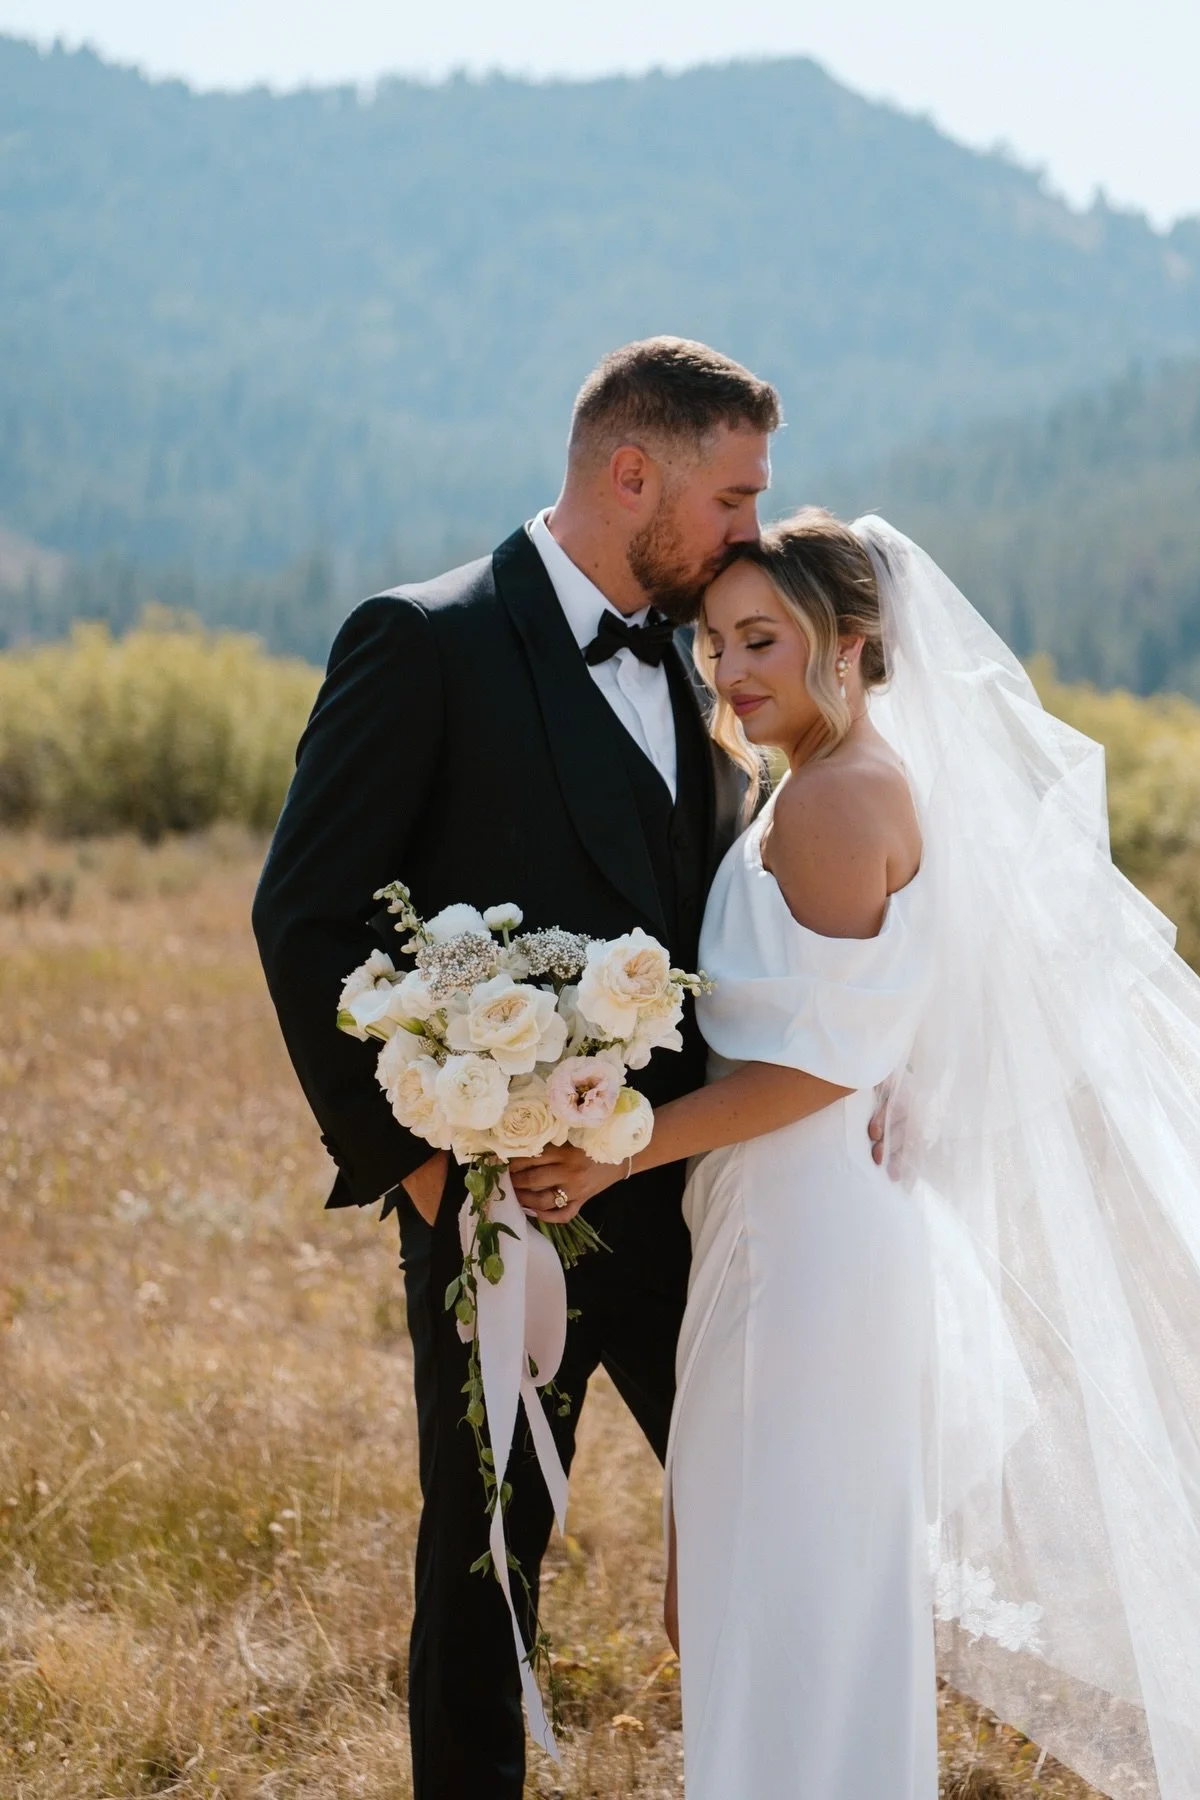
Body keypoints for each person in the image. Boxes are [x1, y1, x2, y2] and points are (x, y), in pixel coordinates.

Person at [513, 510, 1200, 1800]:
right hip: (780, 1224)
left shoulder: (840, 801)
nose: (731, 672)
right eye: (718, 642)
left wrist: (621, 1151)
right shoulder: (829, 784)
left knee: (782, 1616)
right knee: (748, 1604)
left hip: (810, 1248)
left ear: (853, 642)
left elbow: (826, 1064)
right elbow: (866, 1033)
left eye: (763, 639)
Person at [251, 336, 779, 1799]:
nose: (753, 534)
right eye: (734, 498)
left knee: (766, 1531)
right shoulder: (423, 640)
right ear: (633, 475)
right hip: (500, 1223)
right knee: (485, 1573)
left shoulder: (694, 669)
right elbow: (304, 915)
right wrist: (419, 1169)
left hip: (696, 1204)